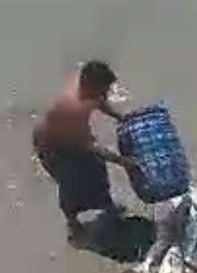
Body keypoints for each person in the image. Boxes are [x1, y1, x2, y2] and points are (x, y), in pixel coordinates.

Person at [33, 61, 138, 244]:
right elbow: (90, 147)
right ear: (90, 86)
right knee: (71, 185)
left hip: (72, 136)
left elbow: (99, 102)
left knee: (98, 171)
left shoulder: (87, 87)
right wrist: (122, 161)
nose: (105, 94)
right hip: (53, 148)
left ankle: (107, 207)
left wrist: (119, 117)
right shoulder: (72, 108)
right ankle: (73, 225)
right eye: (102, 89)